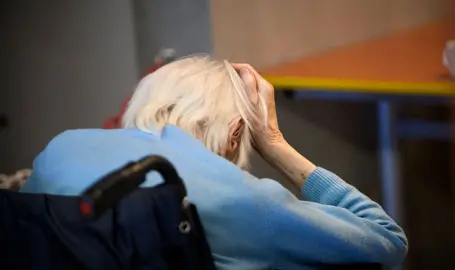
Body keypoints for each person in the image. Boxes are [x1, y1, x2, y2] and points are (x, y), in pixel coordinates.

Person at [20, 56, 408, 269]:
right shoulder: (240, 198)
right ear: (236, 132)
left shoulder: (60, 150)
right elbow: (386, 240)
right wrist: (273, 143)